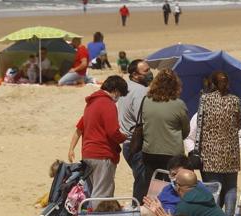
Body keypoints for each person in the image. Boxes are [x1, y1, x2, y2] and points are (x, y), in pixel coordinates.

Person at [68, 76, 128, 205]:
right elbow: (113, 132)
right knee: (102, 196)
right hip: (102, 154)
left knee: (91, 193)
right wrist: (124, 137)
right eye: (120, 95)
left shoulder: (91, 104)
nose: (118, 99)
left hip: (88, 154)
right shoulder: (108, 104)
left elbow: (79, 128)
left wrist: (71, 149)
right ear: (116, 91)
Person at [197, 71, 241, 216]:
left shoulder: (205, 99)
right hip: (230, 150)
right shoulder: (235, 100)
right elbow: (238, 123)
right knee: (231, 187)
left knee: (214, 189)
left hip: (210, 151)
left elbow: (199, 124)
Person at [141, 69, 189, 198]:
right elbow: (185, 130)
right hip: (172, 151)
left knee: (150, 186)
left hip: (150, 149)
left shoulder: (146, 100)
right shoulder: (179, 104)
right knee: (172, 187)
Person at [117, 59, 153, 203]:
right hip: (137, 144)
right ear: (135, 75)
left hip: (127, 144)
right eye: (146, 71)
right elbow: (143, 118)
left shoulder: (126, 87)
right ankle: (136, 212)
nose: (150, 74)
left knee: (140, 180)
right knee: (143, 184)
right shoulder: (140, 91)